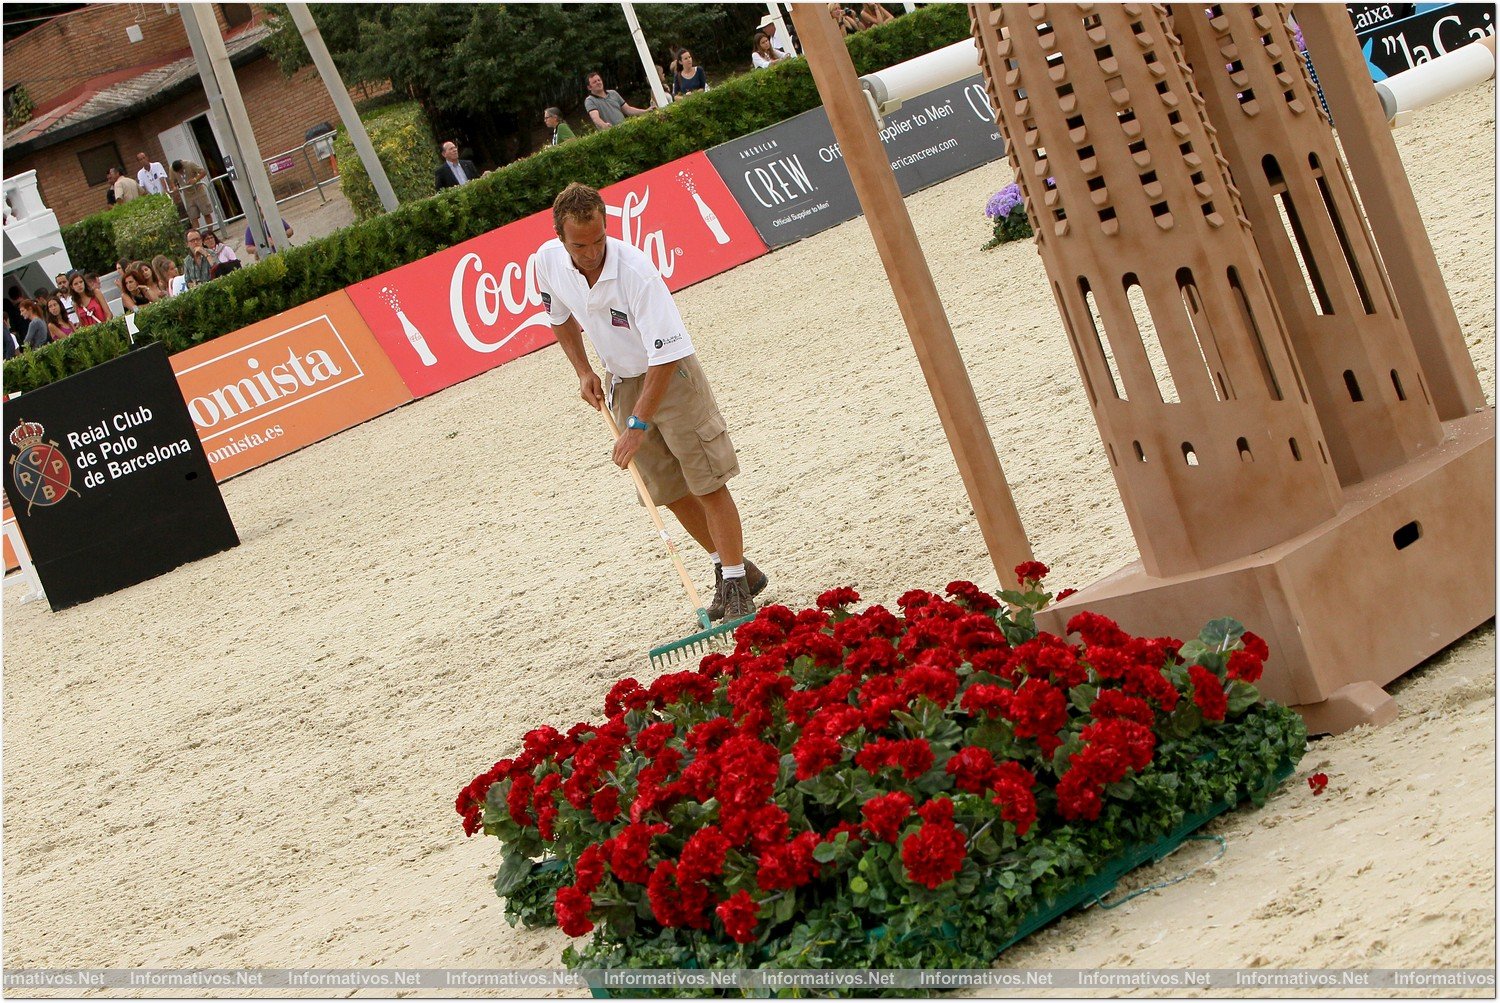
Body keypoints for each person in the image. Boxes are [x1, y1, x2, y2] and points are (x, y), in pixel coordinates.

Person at [535, 182, 769, 622]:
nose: (591, 253)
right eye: (580, 245)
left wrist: (637, 425)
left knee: (706, 480)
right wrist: (583, 370)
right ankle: (734, 569)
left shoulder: (636, 271)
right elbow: (559, 317)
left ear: (607, 227)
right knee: (667, 490)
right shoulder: (546, 262)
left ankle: (736, 583)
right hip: (622, 380)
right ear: (560, 238)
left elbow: (665, 354)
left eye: (599, 240)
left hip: (671, 376)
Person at [584, 72, 649, 130]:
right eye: (594, 82)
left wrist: (646, 111)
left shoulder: (613, 93)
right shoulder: (590, 100)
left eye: (599, 80)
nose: (598, 82)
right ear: (589, 87)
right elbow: (595, 118)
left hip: (626, 130)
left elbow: (628, 110)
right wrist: (604, 125)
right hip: (611, 135)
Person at [171, 158, 214, 228]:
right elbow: (173, 181)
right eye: (178, 172)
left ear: (182, 166)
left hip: (199, 192)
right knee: (193, 217)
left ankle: (210, 232)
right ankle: (197, 236)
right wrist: (174, 187)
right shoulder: (173, 170)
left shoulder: (190, 164)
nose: (180, 173)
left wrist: (195, 179)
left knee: (206, 213)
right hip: (188, 196)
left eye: (181, 171)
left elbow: (203, 172)